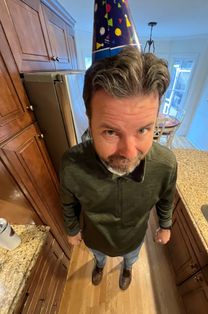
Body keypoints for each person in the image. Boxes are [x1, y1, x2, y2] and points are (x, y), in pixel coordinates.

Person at [60, 46, 177, 290]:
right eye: (111, 132)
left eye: (143, 129)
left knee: (131, 258)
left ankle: (127, 269)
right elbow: (68, 202)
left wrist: (165, 225)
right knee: (99, 257)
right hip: (95, 239)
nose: (130, 153)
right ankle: (100, 265)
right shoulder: (72, 164)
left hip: (133, 239)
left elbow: (166, 197)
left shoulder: (165, 165)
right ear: (90, 122)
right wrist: (71, 229)